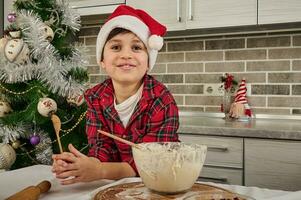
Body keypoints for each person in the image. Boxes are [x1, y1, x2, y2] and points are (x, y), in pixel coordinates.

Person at [52, 5, 179, 185]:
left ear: (149, 60)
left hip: (158, 183)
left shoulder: (162, 100)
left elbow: (152, 161)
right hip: (114, 184)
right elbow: (101, 146)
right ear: (102, 60)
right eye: (116, 47)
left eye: (136, 47)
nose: (126, 55)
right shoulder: (94, 97)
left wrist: (101, 170)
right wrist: (85, 165)